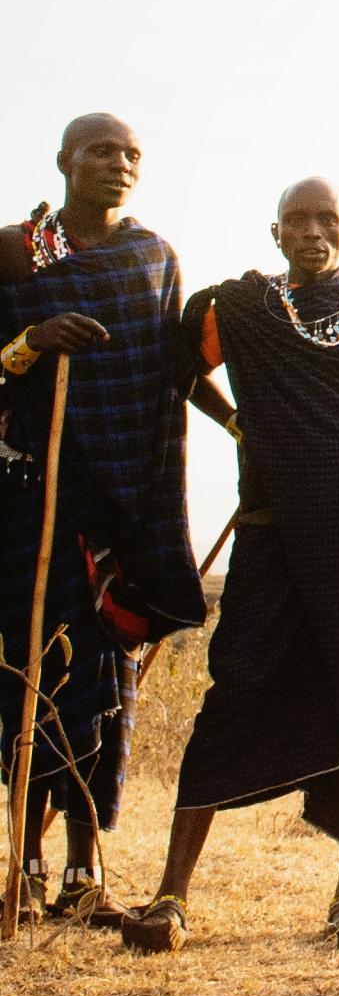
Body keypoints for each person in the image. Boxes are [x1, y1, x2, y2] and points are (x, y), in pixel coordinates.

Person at [122, 178, 339, 955]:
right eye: (298, 221)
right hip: (275, 538)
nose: (313, 232)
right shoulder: (241, 310)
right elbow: (175, 367)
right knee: (234, 691)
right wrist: (241, 421)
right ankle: (173, 893)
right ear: (275, 232)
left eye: (327, 220)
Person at [1, 114, 206, 925]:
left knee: (104, 685)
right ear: (63, 162)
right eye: (101, 151)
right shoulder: (17, 251)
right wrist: (30, 341)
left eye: (131, 154)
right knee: (26, 676)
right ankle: (25, 864)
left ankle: (87, 869)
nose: (118, 164)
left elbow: (167, 376)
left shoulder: (152, 259)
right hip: (28, 494)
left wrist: (246, 430)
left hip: (119, 508)